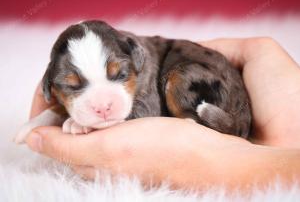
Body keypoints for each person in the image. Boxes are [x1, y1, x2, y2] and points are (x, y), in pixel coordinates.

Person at [25, 37, 300, 192]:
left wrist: (228, 164)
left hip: (211, 89)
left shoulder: (144, 66)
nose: (103, 103)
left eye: (118, 76)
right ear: (51, 86)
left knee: (178, 83)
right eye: (73, 87)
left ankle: (203, 118)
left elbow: (145, 111)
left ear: (135, 60)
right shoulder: (129, 59)